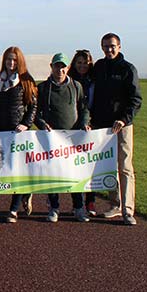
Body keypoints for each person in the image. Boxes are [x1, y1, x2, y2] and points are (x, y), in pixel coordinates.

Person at [90, 33, 142, 225]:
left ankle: (128, 210)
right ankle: (115, 205)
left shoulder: (128, 69)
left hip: (122, 126)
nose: (108, 49)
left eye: (112, 46)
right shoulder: (99, 67)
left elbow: (136, 99)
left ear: (119, 46)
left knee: (125, 167)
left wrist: (124, 119)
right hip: (102, 127)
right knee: (109, 167)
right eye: (105, 46)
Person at [34, 53, 91, 223]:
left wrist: (84, 123)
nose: (60, 69)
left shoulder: (76, 86)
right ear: (51, 66)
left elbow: (84, 108)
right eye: (57, 66)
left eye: (63, 66)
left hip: (73, 139)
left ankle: (79, 208)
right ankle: (54, 207)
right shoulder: (43, 88)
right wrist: (42, 124)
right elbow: (35, 113)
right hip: (51, 139)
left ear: (67, 68)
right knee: (53, 174)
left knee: (75, 174)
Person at [0, 47, 38, 223]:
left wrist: (26, 124)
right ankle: (25, 192)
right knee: (3, 169)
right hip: (1, 131)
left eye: (14, 60)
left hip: (19, 132)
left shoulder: (26, 81)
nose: (11, 63)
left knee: (18, 170)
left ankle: (13, 209)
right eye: (8, 59)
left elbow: (33, 106)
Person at [69, 49, 97, 216]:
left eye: (85, 63)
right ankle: (77, 203)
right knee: (76, 166)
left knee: (92, 166)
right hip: (74, 129)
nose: (82, 66)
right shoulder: (71, 81)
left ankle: (91, 202)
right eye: (79, 63)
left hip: (93, 127)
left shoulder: (94, 80)